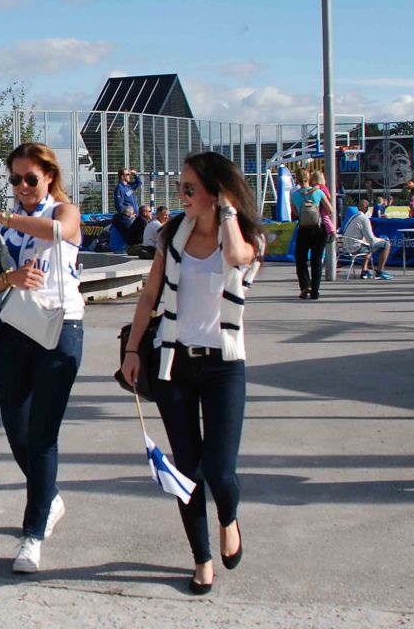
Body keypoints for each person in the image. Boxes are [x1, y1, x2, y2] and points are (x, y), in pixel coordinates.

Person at [119, 151, 263, 596]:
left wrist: (226, 213)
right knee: (187, 471)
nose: (179, 196)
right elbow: (149, 295)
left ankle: (228, 518)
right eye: (179, 188)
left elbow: (237, 257)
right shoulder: (172, 236)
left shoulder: (247, 235)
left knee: (220, 470)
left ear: (216, 192)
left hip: (224, 365)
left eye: (188, 188)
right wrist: (131, 349)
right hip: (173, 363)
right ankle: (201, 558)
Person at [0, 142, 84, 574]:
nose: (21, 187)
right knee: (17, 430)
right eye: (15, 179)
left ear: (49, 177)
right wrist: (9, 277)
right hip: (13, 331)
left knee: (42, 436)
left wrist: (0, 217)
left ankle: (32, 535)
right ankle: (49, 497)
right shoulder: (3, 231)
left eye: (30, 179)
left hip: (60, 329)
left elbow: (59, 233)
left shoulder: (60, 213)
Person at [290, 168, 333, 300]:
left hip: (304, 229)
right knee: (316, 260)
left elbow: (295, 214)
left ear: (296, 180)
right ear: (309, 178)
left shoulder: (294, 195)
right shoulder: (318, 192)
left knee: (300, 259)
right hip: (319, 229)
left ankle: (305, 286)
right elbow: (330, 210)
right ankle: (315, 291)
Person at [344, 197, 394, 279]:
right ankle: (380, 271)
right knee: (386, 244)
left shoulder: (352, 217)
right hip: (356, 249)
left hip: (346, 248)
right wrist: (382, 240)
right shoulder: (364, 218)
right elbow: (372, 239)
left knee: (368, 245)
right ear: (367, 208)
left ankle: (364, 270)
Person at [112, 168, 142, 239]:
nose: (129, 176)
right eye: (128, 174)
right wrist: (128, 215)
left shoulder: (128, 186)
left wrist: (135, 175)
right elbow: (119, 205)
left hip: (135, 216)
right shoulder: (120, 188)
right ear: (122, 176)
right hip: (129, 218)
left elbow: (139, 183)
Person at [310, 170, 337, 239]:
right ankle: (331, 231)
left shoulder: (319, 186)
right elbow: (329, 195)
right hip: (324, 203)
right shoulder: (324, 187)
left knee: (325, 218)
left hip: (322, 205)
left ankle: (332, 231)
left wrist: (309, 191)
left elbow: (315, 188)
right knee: (325, 218)